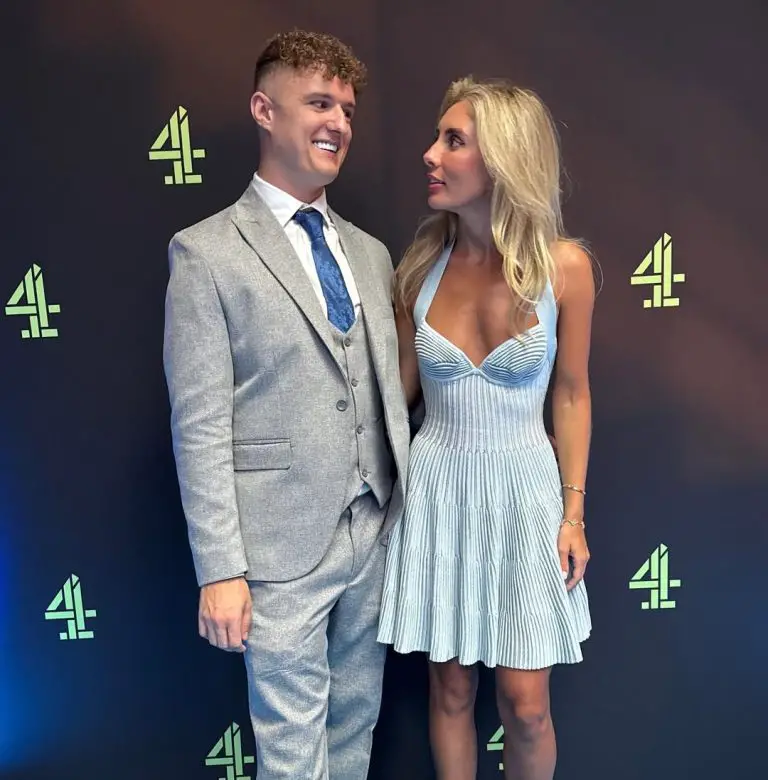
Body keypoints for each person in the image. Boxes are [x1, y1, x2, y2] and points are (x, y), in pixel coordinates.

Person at [163, 30, 410, 780]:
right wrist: (219, 570)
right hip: (277, 550)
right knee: (293, 752)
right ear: (264, 110)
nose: (338, 122)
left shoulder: (370, 252)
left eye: (347, 110)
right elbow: (200, 425)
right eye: (319, 103)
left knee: (354, 730)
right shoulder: (206, 253)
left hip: (375, 530)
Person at [377, 77, 594, 780]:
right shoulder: (418, 273)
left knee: (525, 705)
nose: (430, 154)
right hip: (439, 488)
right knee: (450, 690)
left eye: (453, 141)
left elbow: (572, 394)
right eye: (437, 138)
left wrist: (572, 513)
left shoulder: (565, 270)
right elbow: (394, 401)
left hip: (525, 493)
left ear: (501, 159)